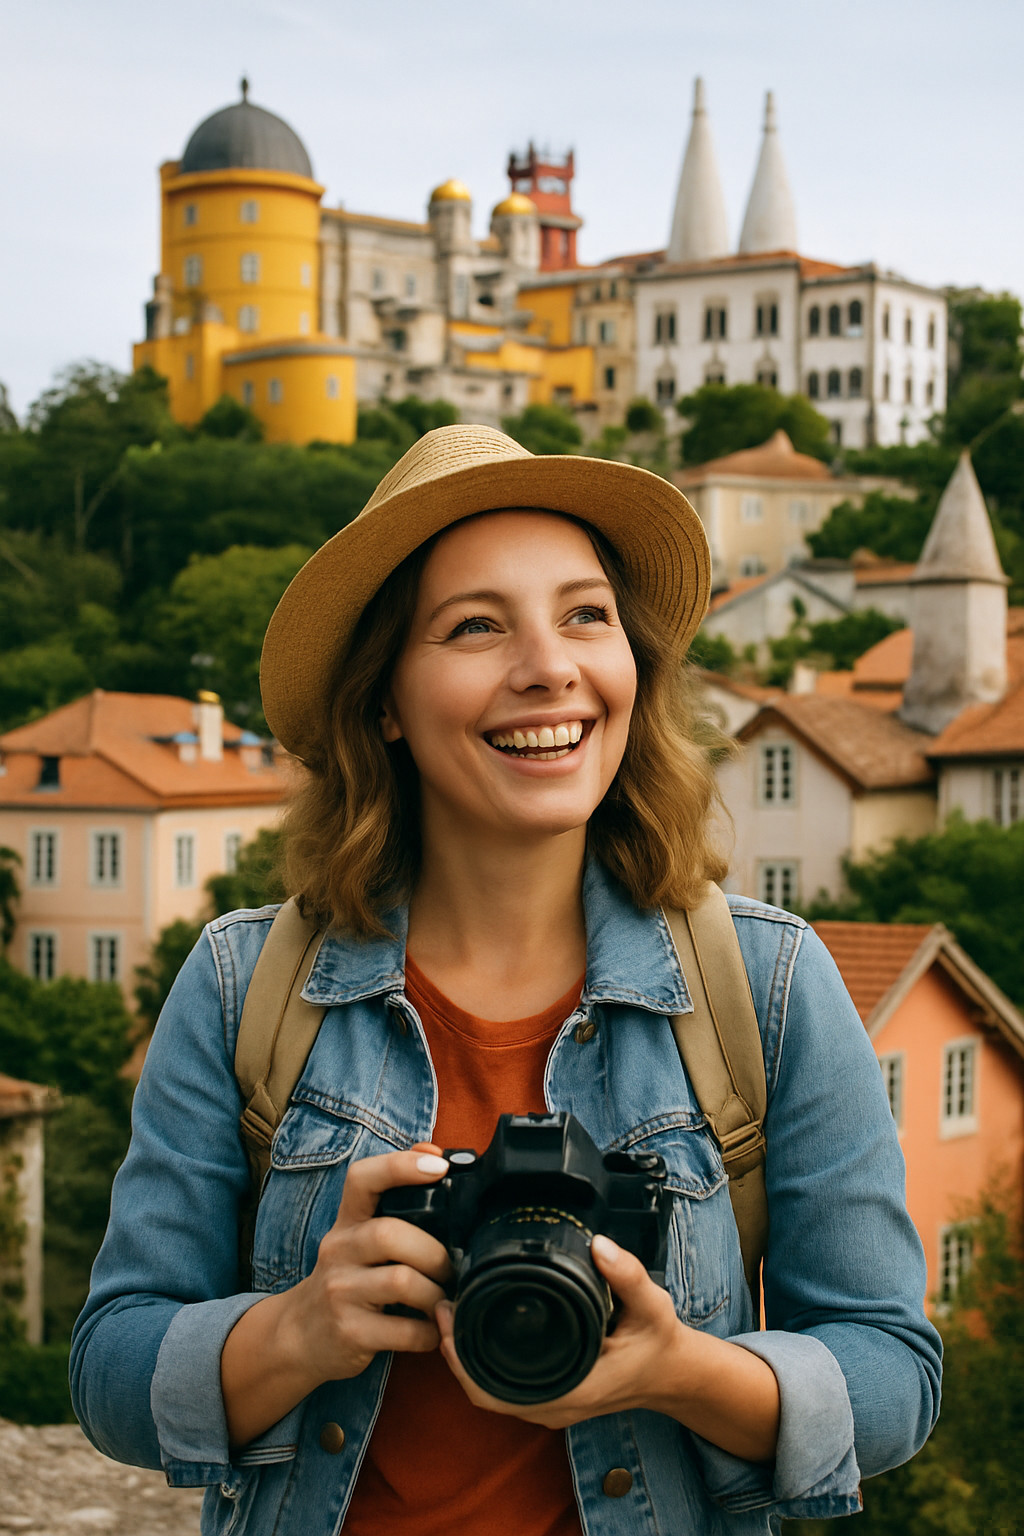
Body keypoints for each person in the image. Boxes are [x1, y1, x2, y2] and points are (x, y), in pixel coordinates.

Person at [71, 425, 940, 1535]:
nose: (549, 665)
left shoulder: (764, 989)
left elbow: (895, 1378)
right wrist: (295, 1331)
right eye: (476, 626)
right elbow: (109, 1370)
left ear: (634, 664)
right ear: (383, 700)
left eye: (586, 614)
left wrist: (673, 1369)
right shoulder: (248, 986)